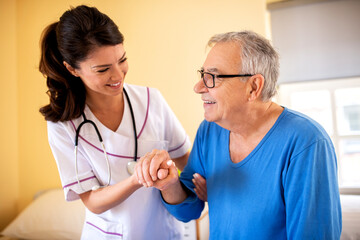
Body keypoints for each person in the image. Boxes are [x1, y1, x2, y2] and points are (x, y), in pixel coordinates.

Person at [135, 31, 342, 239]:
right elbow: (189, 209)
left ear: (253, 87)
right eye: (202, 75)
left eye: (212, 77)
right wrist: (169, 184)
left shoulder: (306, 143)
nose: (198, 87)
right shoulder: (210, 131)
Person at [38, 5, 191, 239]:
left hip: (163, 232)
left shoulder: (152, 101)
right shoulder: (64, 125)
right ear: (72, 69)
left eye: (122, 60)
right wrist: (139, 178)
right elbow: (92, 201)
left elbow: (189, 165)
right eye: (103, 69)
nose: (118, 75)